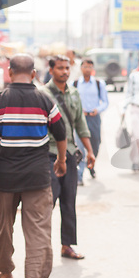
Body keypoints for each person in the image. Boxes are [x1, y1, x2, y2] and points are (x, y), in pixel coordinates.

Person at [0, 53, 67, 278]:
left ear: (9, 72)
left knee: (4, 226)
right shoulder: (44, 98)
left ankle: (5, 271)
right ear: (33, 73)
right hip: (38, 177)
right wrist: (61, 160)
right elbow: (61, 131)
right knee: (38, 233)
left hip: (6, 176)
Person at [41, 55, 96, 260]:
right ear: (51, 69)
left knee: (69, 200)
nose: (65, 71)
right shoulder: (43, 94)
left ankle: (67, 245)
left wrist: (89, 151)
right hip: (49, 154)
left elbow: (81, 124)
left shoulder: (74, 93)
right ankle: (43, 247)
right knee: (48, 201)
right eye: (60, 68)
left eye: (67, 68)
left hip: (71, 153)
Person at [73, 58, 109, 185]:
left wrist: (97, 110)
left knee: (95, 143)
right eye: (85, 66)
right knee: (80, 146)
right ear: (81, 68)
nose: (87, 69)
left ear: (92, 69)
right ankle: (79, 175)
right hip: (80, 118)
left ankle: (91, 163)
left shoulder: (99, 84)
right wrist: (78, 110)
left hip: (94, 118)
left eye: (89, 67)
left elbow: (105, 102)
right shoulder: (75, 83)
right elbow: (72, 101)